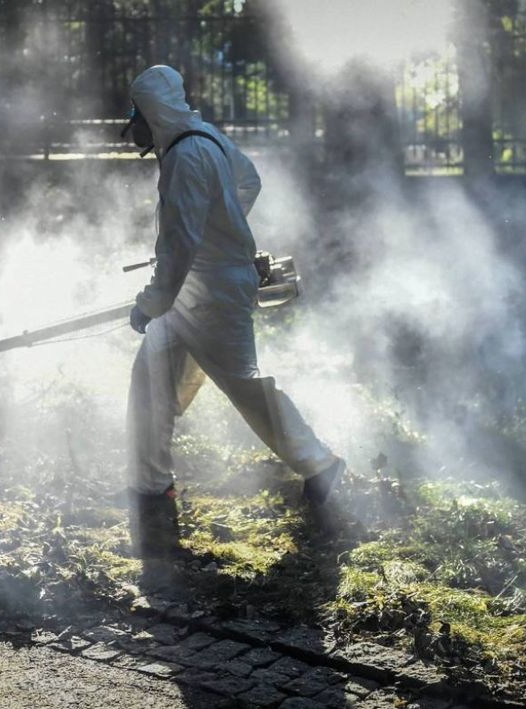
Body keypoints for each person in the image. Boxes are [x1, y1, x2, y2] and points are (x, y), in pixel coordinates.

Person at [122, 65, 345, 555]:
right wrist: (223, 224)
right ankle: (152, 489)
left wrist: (150, 303)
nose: (131, 125)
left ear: (151, 113)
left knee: (244, 387)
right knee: (150, 382)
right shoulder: (207, 138)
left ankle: (320, 465)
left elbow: (178, 249)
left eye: (135, 114)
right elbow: (250, 182)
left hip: (209, 295)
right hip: (196, 290)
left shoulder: (186, 157)